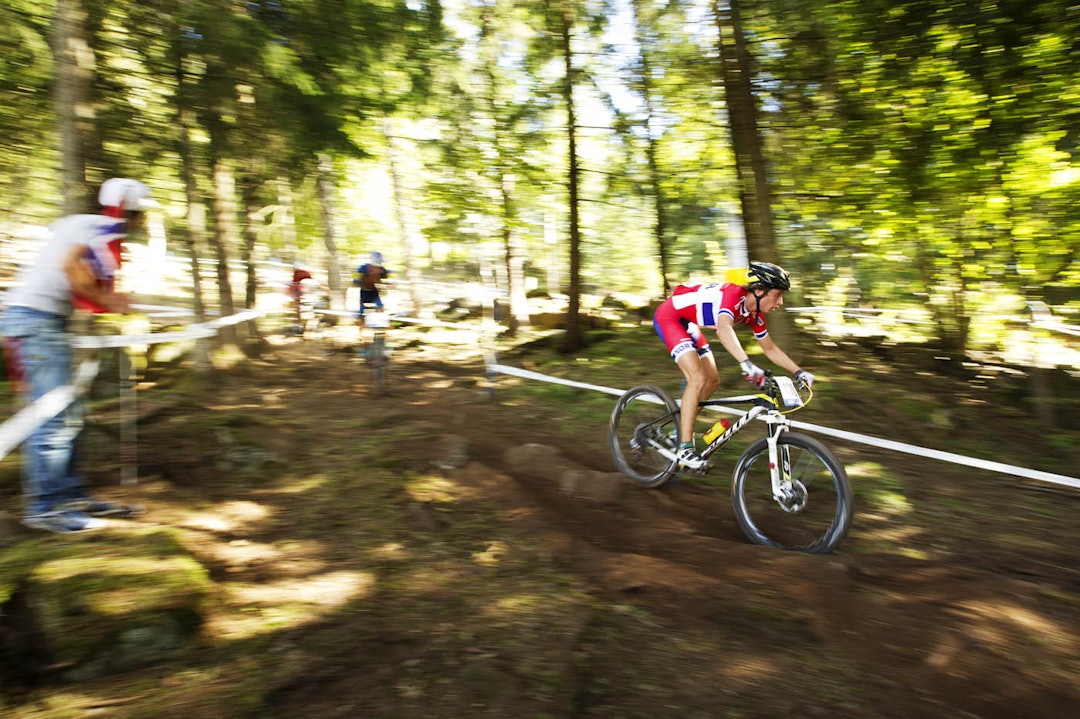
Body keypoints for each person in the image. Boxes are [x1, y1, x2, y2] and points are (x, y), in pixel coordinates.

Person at [0, 178, 152, 533]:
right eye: (141, 215)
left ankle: (69, 497)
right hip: (36, 322)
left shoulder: (87, 226)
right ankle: (46, 508)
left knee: (69, 415)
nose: (142, 223)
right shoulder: (96, 226)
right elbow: (71, 269)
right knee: (52, 416)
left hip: (45, 320)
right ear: (134, 212)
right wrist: (110, 303)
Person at [652, 261, 815, 470]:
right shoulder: (732, 295)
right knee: (698, 378)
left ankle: (678, 431)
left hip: (688, 323)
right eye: (777, 295)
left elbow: (770, 349)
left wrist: (799, 371)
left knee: (712, 381)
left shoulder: (755, 314)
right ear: (759, 291)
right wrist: (746, 363)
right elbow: (724, 330)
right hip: (670, 317)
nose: (780, 301)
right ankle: (685, 447)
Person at [352, 252, 390, 316]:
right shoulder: (365, 267)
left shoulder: (381, 269)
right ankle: (362, 317)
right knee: (363, 308)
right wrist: (356, 281)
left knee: (379, 305)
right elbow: (356, 276)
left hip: (373, 291)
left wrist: (386, 284)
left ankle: (380, 318)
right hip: (365, 291)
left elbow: (386, 277)